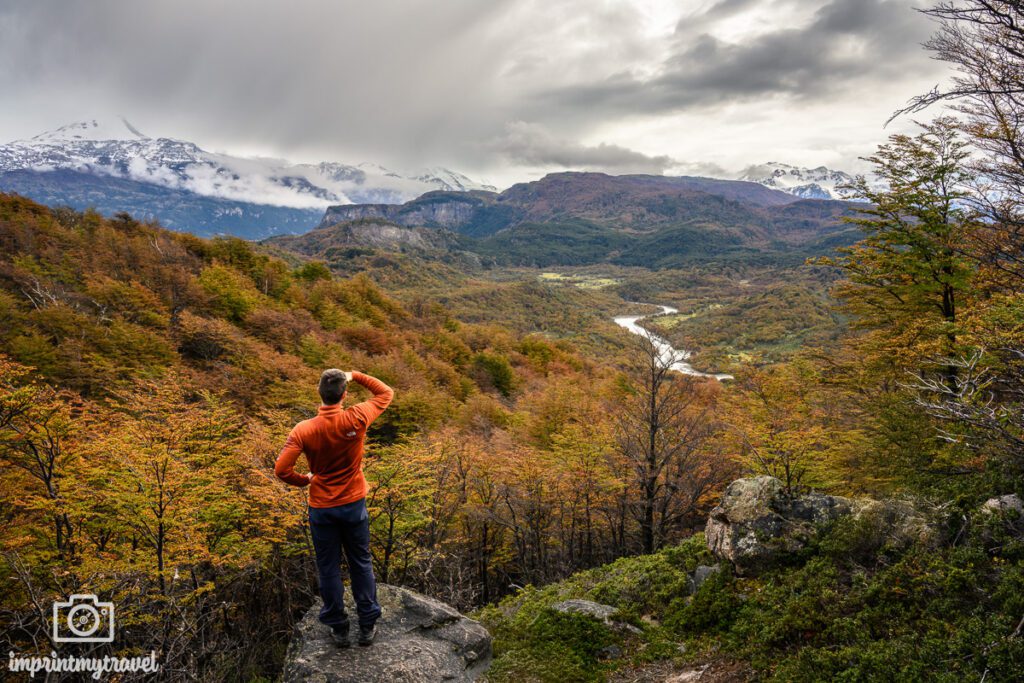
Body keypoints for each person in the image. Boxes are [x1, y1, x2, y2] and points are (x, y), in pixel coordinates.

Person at [275, 369, 394, 648]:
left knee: (328, 567)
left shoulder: (304, 429)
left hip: (322, 507)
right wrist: (355, 374)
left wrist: (304, 480)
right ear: (344, 394)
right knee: (361, 563)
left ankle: (339, 628)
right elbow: (385, 392)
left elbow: (281, 469)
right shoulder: (357, 417)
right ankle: (367, 624)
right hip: (353, 504)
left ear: (320, 393)